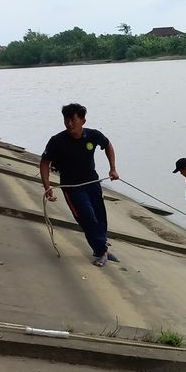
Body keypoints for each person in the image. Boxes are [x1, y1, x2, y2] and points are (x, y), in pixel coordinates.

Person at [40, 103, 119, 267]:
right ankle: (100, 251)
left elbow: (108, 145)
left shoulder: (93, 135)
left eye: (73, 120)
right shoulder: (57, 141)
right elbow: (45, 162)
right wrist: (47, 186)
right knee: (86, 217)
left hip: (92, 182)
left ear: (83, 120)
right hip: (72, 187)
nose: (69, 124)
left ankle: (101, 244)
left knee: (99, 216)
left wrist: (113, 169)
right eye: (66, 120)